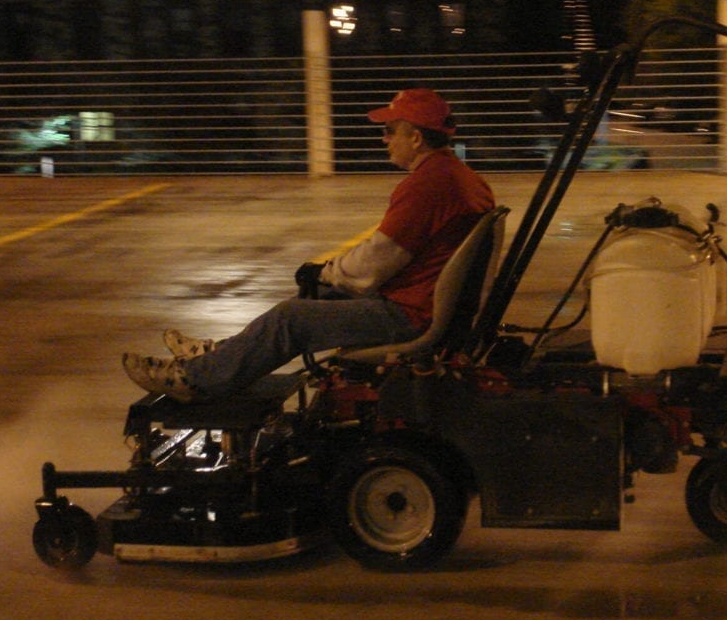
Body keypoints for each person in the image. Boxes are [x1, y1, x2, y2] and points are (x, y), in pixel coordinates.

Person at [122, 88, 495, 402]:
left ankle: (198, 381)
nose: (384, 139)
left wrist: (327, 270)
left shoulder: (427, 186)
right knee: (316, 302)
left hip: (408, 315)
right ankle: (220, 354)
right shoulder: (461, 178)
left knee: (292, 317)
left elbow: (375, 262)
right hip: (422, 303)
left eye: (390, 130)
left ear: (415, 137)